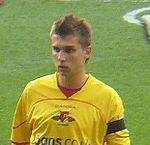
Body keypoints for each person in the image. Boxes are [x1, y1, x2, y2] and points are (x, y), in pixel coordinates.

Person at [10, 14, 130, 145]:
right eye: (56, 49)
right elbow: (19, 141)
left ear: (87, 52)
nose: (60, 57)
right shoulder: (33, 91)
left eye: (69, 50)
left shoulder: (107, 99)